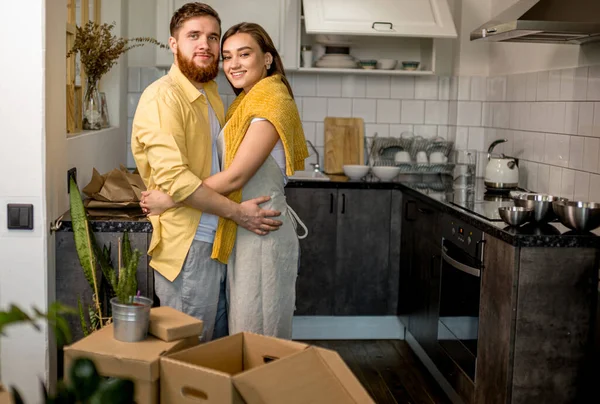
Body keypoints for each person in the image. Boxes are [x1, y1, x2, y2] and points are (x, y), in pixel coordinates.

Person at [141, 22, 309, 339]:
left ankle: (264, 389)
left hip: (262, 227)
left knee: (259, 335)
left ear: (268, 59)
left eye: (244, 54)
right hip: (246, 229)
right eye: (227, 56)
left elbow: (235, 176)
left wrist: (170, 198)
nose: (233, 64)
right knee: (245, 333)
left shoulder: (271, 104)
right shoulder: (245, 103)